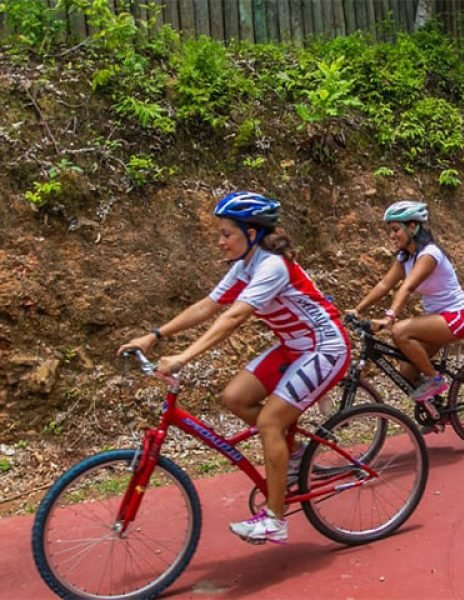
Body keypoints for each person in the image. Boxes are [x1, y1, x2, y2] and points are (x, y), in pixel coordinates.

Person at [117, 191, 350, 544]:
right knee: (235, 397)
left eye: (227, 233)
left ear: (252, 233)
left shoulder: (271, 264)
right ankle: (294, 455)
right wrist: (154, 336)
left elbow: (235, 317)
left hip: (324, 346)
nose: (220, 241)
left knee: (271, 420)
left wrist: (184, 357)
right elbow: (207, 306)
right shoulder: (245, 264)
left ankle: (275, 519)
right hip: (292, 346)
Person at [349, 200, 464, 416]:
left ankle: (436, 380)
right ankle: (437, 410)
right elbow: (384, 284)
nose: (392, 236)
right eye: (391, 230)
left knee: (400, 331)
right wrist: (357, 310)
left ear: (413, 227)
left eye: (396, 229)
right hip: (436, 319)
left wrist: (389, 317)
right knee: (407, 371)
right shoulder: (405, 257)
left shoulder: (430, 255)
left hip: (457, 316)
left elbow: (407, 287)